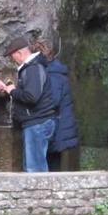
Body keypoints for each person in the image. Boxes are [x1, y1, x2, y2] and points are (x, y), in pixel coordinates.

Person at [0, 35, 58, 172]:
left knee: (35, 170)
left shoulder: (33, 69)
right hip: (38, 122)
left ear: (20, 53)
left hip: (37, 123)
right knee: (35, 166)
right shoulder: (33, 67)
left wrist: (12, 91)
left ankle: (39, 193)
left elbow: (31, 97)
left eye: (12, 56)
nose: (13, 60)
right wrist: (7, 89)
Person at [34, 37, 80, 171]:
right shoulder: (56, 70)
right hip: (59, 126)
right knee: (51, 164)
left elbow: (53, 100)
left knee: (50, 165)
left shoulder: (53, 74)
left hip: (55, 127)